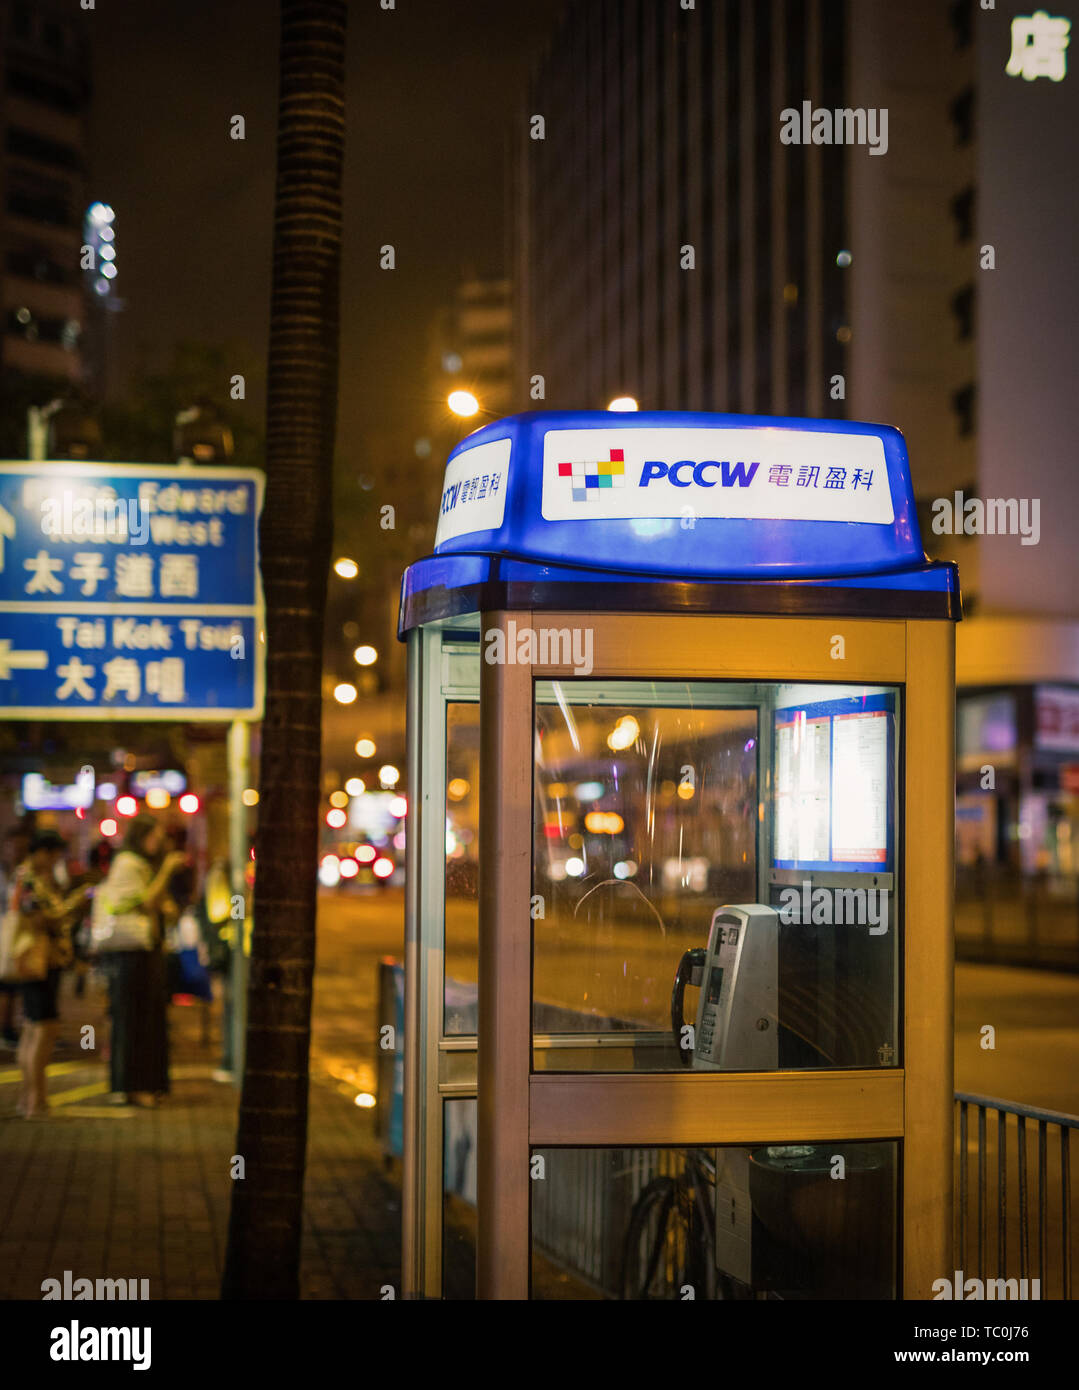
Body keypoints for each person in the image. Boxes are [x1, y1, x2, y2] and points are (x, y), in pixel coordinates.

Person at [92, 815, 187, 1107]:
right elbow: (145, 901)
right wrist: (167, 870)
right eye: (154, 836)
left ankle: (148, 1084)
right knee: (134, 1019)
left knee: (149, 1018)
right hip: (131, 952)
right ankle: (132, 1086)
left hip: (147, 950)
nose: (158, 842)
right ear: (142, 836)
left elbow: (159, 904)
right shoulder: (128, 864)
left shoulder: (140, 865)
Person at [12, 830, 89, 1118]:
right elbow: (40, 918)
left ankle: (30, 1098)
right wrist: (74, 903)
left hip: (39, 961)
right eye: (55, 854)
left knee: (34, 1027)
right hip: (39, 961)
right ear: (43, 852)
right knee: (44, 1027)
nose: (57, 860)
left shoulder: (32, 878)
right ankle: (35, 1100)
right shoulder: (29, 879)